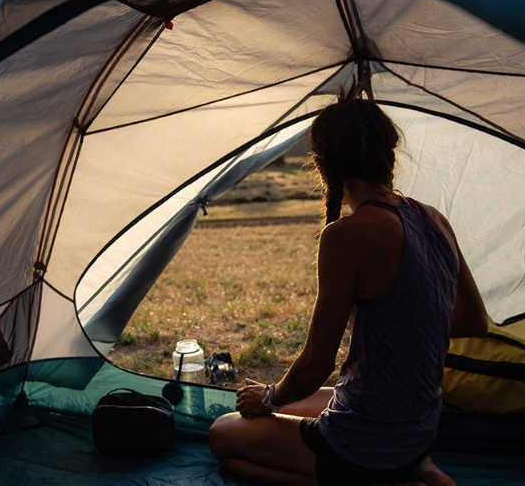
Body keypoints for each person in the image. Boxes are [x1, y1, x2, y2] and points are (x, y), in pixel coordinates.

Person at [208, 99, 489, 486]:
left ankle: (383, 479)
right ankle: (416, 466)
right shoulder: (433, 218)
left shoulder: (346, 235)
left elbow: (314, 366)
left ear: (323, 165)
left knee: (224, 434)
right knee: (325, 398)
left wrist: (270, 398)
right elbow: (476, 321)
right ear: (389, 154)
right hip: (419, 425)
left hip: (369, 438)